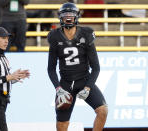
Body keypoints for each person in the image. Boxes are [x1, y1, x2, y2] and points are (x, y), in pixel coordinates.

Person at [47, 2, 108, 131]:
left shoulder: (86, 34)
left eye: (71, 16)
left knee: (103, 111)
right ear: (60, 18)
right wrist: (58, 88)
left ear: (76, 17)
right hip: (65, 84)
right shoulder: (54, 36)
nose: (68, 18)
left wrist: (87, 87)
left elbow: (96, 67)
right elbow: (51, 68)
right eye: (65, 16)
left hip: (83, 80)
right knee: (62, 125)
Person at [0, 27, 30, 131]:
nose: (6, 41)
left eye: (7, 38)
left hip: (1, 100)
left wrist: (17, 77)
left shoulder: (2, 57)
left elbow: (4, 80)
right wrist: (10, 76)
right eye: (3, 38)